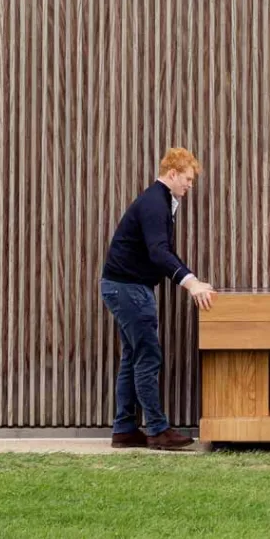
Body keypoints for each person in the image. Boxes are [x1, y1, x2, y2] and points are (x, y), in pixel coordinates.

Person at [100, 147, 216, 450]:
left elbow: (164, 251)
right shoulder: (156, 203)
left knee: (133, 357)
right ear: (172, 174)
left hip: (121, 286)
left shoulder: (160, 201)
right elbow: (158, 252)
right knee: (148, 356)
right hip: (130, 289)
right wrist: (191, 283)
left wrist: (189, 277)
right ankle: (157, 429)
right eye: (188, 179)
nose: (190, 185)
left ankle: (124, 430)